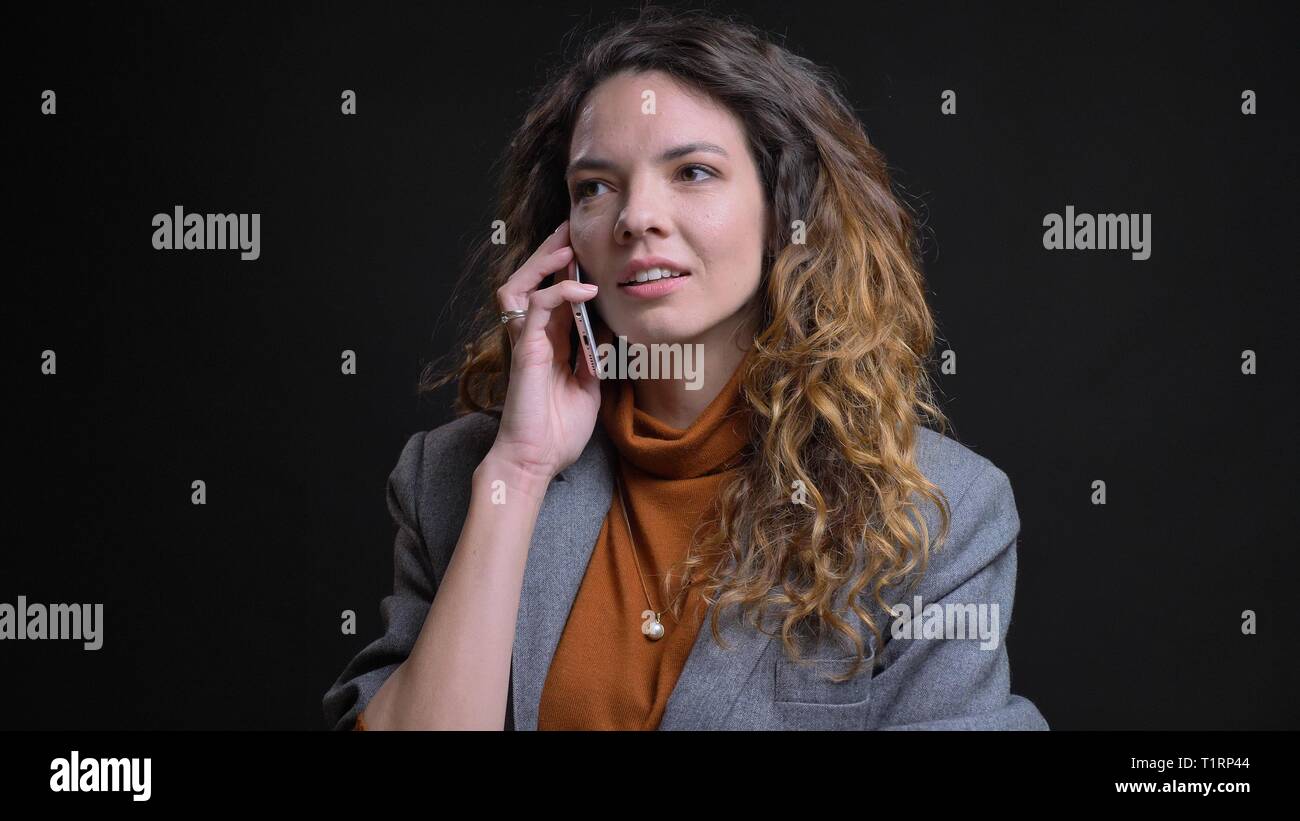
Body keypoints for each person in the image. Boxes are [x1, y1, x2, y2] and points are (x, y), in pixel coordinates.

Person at [322, 7, 1048, 731]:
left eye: (693, 172)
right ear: (563, 238)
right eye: (595, 187)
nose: (636, 216)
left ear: (784, 210)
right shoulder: (456, 479)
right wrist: (520, 469)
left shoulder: (941, 510)